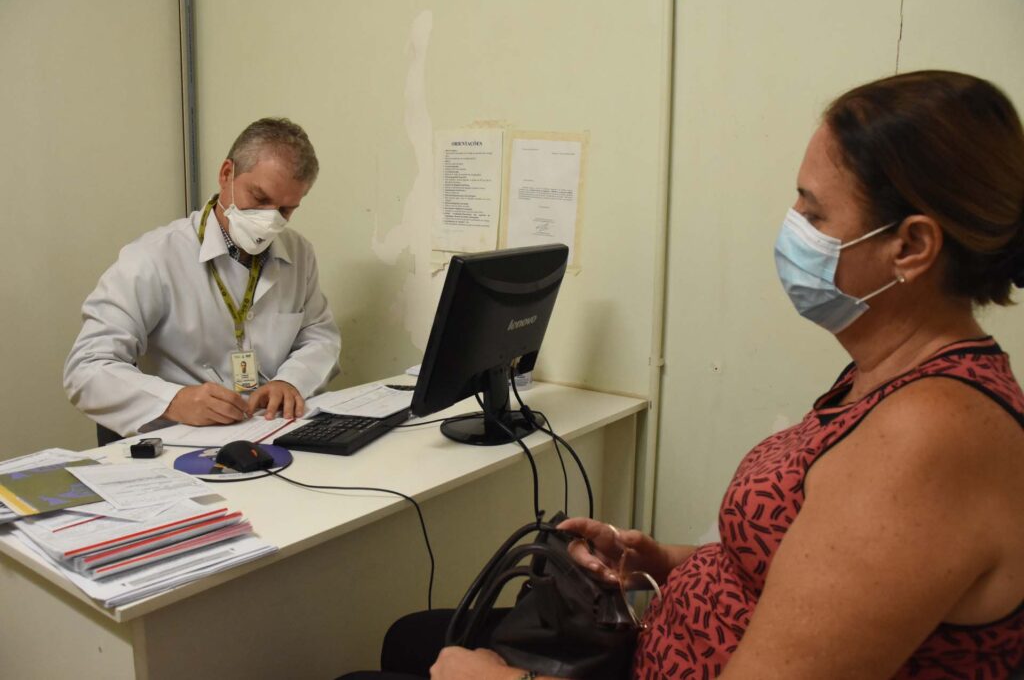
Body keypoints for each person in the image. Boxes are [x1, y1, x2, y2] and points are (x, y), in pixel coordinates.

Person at [345, 71, 1024, 679]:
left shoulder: (929, 439)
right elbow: (799, 567)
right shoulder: (884, 380)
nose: (793, 230)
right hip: (657, 644)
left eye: (815, 214)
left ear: (911, 246)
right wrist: (660, 561)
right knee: (414, 638)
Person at [64, 117, 341, 437]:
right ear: (227, 175)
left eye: (285, 210)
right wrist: (173, 401)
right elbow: (86, 368)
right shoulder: (153, 258)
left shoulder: (298, 253)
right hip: (179, 439)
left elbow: (320, 337)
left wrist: (290, 380)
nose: (270, 221)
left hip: (267, 431)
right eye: (260, 198)